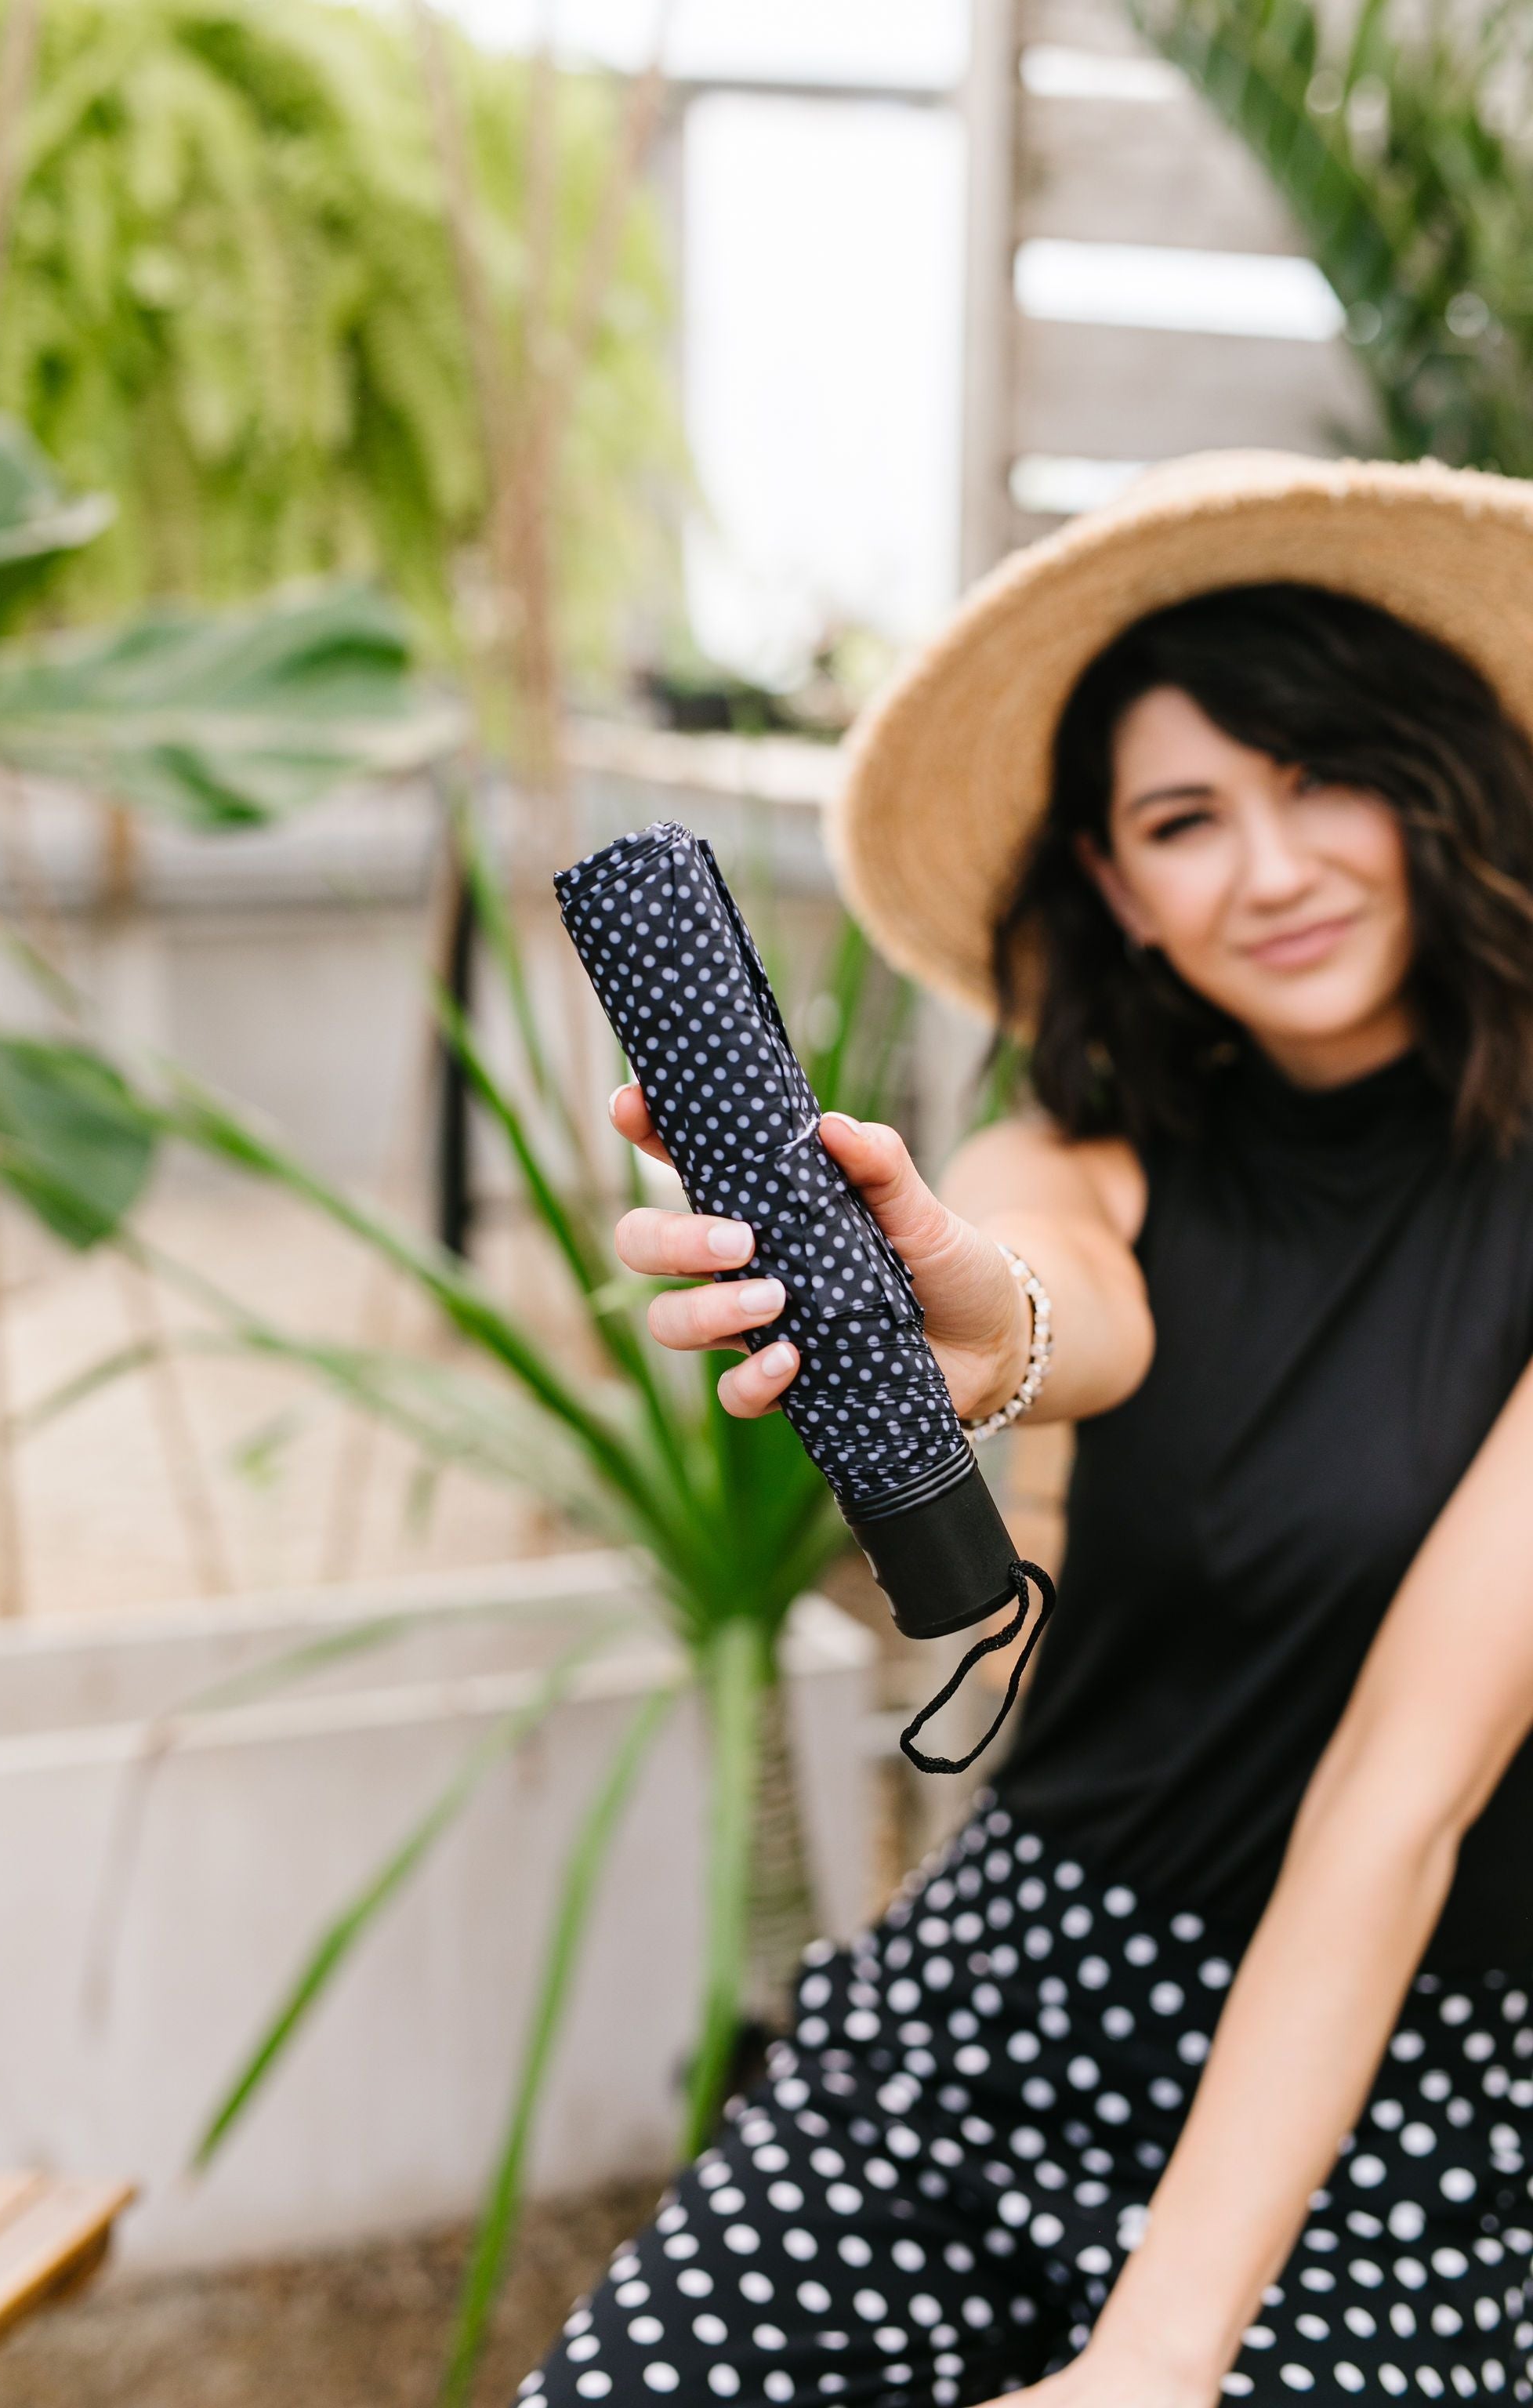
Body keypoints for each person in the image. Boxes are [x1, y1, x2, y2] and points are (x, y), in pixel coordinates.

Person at [524, 452, 1533, 2408]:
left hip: (1409, 2080)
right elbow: (1060, 1293)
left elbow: (1399, 1797)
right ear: (1114, 890)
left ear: (1435, 782)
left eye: (1321, 775)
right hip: (1019, 1995)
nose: (1273, 865)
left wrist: (1154, 2353)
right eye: (1184, 818)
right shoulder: (1077, 1151)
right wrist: (969, 1324)